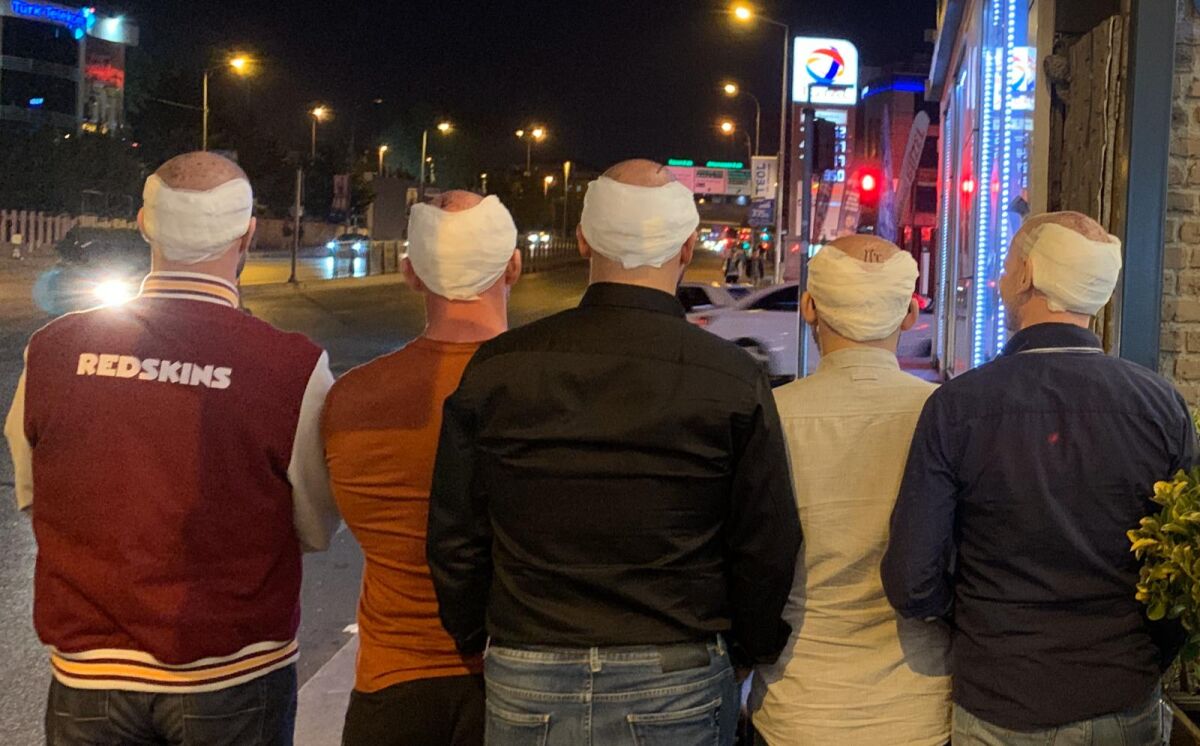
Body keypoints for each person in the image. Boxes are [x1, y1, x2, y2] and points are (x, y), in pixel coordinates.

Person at [427, 159, 801, 746]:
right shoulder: (731, 377)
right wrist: (749, 647)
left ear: (583, 241)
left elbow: (456, 533)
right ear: (686, 247)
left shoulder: (499, 368)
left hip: (529, 666)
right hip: (677, 671)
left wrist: (474, 637)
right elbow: (765, 539)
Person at [4, 152, 339, 745]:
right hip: (232, 675)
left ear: (144, 224)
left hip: (89, 676)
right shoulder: (293, 367)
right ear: (248, 233)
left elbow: (34, 496)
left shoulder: (52, 350)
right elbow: (314, 526)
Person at [882, 211, 1195, 745]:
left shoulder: (958, 407)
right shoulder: (1160, 405)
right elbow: (1181, 567)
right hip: (1124, 699)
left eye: (1007, 266)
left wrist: (978, 625)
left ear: (1028, 275)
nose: (1001, 280)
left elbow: (913, 581)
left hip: (1004, 700)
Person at [321, 190, 521, 746]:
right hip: (514, 682)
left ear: (411, 274)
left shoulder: (352, 397)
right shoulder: (546, 393)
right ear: (513, 266)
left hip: (392, 685)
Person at [750, 235, 950, 745]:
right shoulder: (947, 417)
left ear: (809, 308)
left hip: (797, 707)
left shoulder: (770, 417)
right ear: (910, 314)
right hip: (919, 709)